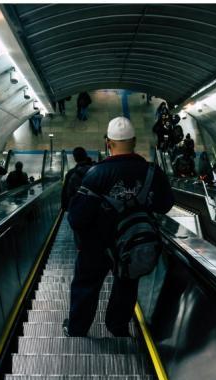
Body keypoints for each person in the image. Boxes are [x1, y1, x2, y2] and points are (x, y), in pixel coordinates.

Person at [65, 116, 174, 337]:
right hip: (133, 243)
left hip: (95, 245)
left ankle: (77, 328)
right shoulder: (152, 172)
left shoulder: (95, 174)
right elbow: (165, 205)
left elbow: (76, 218)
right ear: (133, 141)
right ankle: (118, 327)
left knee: (86, 285)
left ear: (108, 142)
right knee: (126, 284)